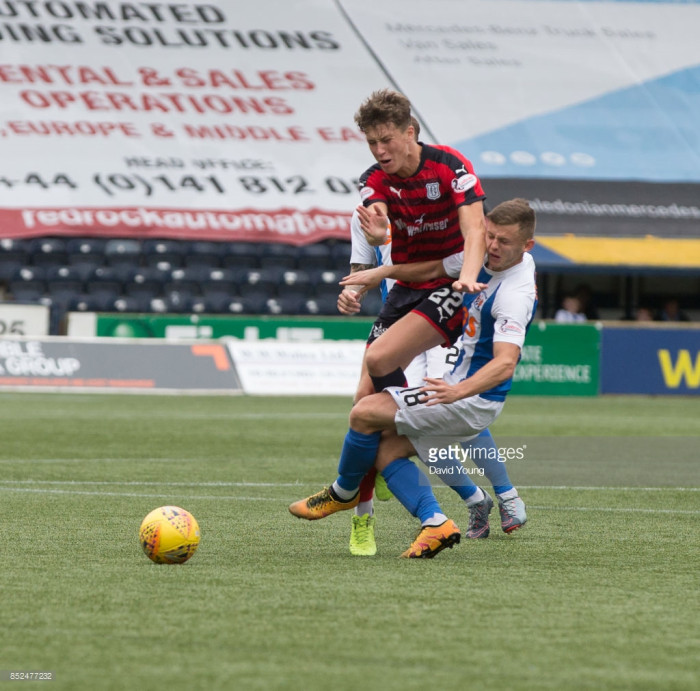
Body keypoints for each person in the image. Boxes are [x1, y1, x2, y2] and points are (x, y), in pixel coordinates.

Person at [290, 199, 537, 558]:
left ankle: (344, 493)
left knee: (364, 413)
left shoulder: (514, 294)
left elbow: (505, 364)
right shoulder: (481, 253)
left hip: (468, 398)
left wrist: (458, 391)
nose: (492, 246)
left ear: (527, 246)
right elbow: (437, 266)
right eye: (490, 236)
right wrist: (380, 273)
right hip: (460, 386)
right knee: (388, 449)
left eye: (504, 242)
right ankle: (435, 521)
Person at [346, 88, 488, 404]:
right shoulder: (373, 180)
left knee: (439, 393)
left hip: (450, 285)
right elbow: (376, 222)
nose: (379, 150)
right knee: (364, 398)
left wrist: (467, 275)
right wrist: (377, 231)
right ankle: (397, 444)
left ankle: (413, 429)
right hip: (407, 287)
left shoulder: (449, 164)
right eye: (372, 142)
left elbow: (475, 227)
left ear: (409, 132)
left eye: (386, 140)